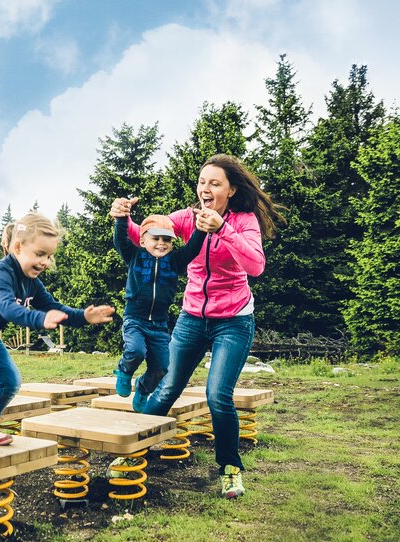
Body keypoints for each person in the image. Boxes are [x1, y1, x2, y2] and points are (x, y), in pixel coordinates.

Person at [111, 154, 285, 499]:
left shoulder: (244, 221)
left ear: (231, 190)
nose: (206, 189)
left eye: (214, 183)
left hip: (233, 321)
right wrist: (123, 217)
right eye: (202, 182)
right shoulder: (185, 219)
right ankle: (135, 453)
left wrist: (223, 229)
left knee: (218, 396)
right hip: (192, 317)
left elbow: (256, 266)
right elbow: (145, 237)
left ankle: (230, 470)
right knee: (166, 386)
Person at [0, 212, 115, 450]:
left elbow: (55, 309)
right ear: (18, 247)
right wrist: (40, 319)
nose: (45, 262)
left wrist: (83, 316)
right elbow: (8, 309)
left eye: (49, 256)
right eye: (40, 254)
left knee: (11, 382)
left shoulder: (32, 281)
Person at [111, 210, 206, 412]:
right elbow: (120, 240)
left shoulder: (174, 261)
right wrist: (121, 219)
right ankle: (124, 371)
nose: (161, 243)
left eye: (167, 240)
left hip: (160, 325)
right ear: (143, 241)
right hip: (135, 320)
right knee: (136, 351)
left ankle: (143, 389)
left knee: (162, 367)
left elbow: (193, 248)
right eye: (155, 238)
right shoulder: (134, 255)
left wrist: (200, 228)